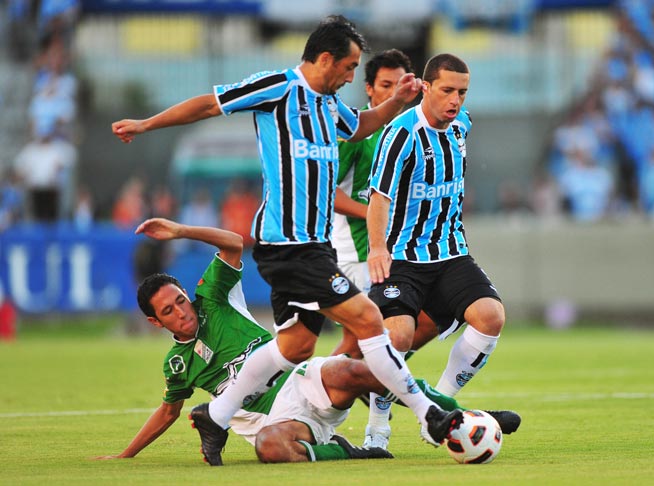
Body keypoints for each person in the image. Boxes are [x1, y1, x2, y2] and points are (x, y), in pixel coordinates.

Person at [112, 15, 461, 466]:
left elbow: (360, 125)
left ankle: (216, 416)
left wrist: (396, 101)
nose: (351, 77)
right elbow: (209, 104)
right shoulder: (278, 88)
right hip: (287, 244)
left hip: (315, 245)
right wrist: (146, 124)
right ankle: (428, 413)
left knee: (296, 346)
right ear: (325, 58)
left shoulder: (329, 105)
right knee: (370, 320)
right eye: (349, 67)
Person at [94, 217, 480, 465]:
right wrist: (125, 456)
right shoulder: (177, 364)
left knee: (356, 369)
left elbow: (232, 242)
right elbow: (168, 412)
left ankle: (460, 415)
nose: (182, 311)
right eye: (169, 311)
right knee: (269, 447)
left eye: (180, 300)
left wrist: (181, 231)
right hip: (280, 421)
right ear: (155, 321)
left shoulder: (212, 297)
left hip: (302, 380)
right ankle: (347, 452)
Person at [367, 53, 511, 446]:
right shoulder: (401, 134)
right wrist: (377, 248)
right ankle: (376, 429)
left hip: (450, 252)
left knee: (490, 316)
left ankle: (439, 412)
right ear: (426, 87)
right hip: (402, 257)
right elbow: (379, 195)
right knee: (397, 338)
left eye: (462, 92)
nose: (455, 100)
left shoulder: (462, 125)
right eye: (447, 90)